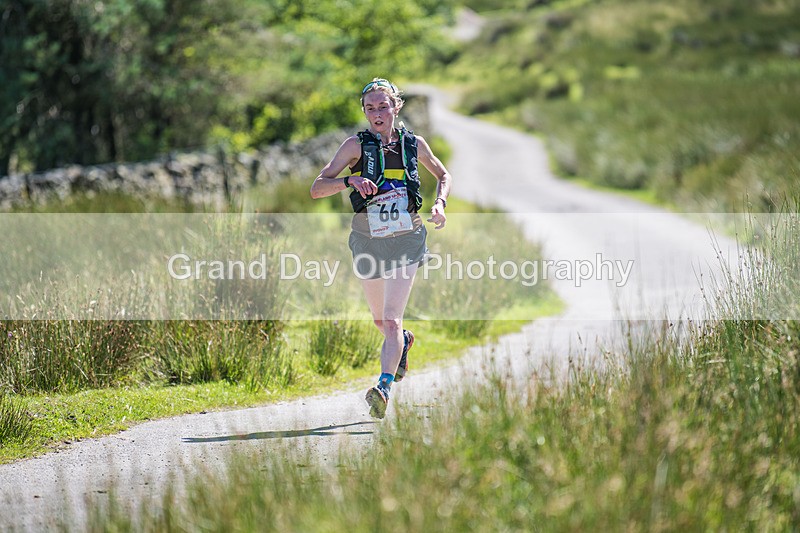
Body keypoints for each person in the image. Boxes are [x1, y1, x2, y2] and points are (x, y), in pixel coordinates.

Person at [310, 78, 452, 418]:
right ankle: (404, 340)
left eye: (383, 107)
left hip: (407, 237)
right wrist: (350, 180)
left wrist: (440, 204)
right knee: (380, 320)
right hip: (368, 239)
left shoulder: (414, 144)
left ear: (396, 107)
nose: (377, 114)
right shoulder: (353, 146)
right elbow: (317, 188)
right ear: (364, 111)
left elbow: (443, 175)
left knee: (390, 319)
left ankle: (383, 386)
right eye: (370, 108)